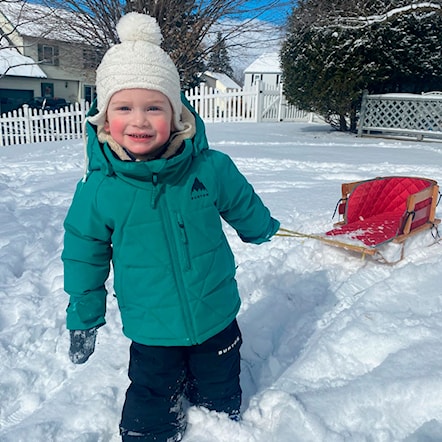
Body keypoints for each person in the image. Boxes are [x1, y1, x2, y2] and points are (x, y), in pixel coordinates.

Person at [62, 12, 280, 442]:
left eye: (153, 107)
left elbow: (240, 202)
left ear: (176, 112)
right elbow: (83, 252)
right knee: (149, 394)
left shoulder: (209, 167)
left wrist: (261, 227)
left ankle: (215, 417)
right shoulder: (100, 189)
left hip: (215, 312)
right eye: (124, 107)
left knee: (220, 391)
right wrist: (84, 315)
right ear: (105, 119)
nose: (140, 120)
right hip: (150, 324)